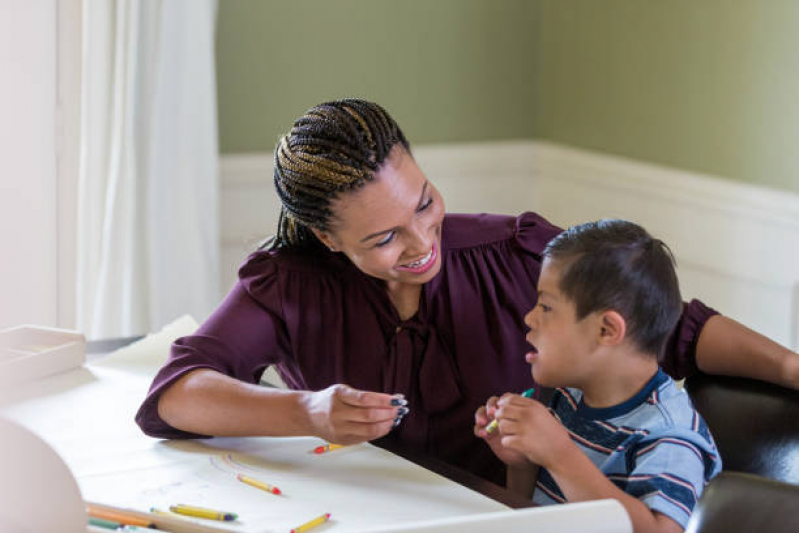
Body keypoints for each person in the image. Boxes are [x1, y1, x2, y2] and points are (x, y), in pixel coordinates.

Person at [135, 98, 798, 485]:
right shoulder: (285, 281)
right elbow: (175, 393)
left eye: (424, 202)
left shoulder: (514, 250)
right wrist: (306, 411)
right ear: (327, 238)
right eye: (384, 239)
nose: (423, 240)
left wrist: (791, 366)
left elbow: (671, 323)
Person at [475, 219, 721, 532]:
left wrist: (559, 454)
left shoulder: (670, 436)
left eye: (546, 307)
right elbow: (533, 517)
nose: (529, 317)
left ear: (606, 330)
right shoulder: (567, 398)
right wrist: (521, 463)